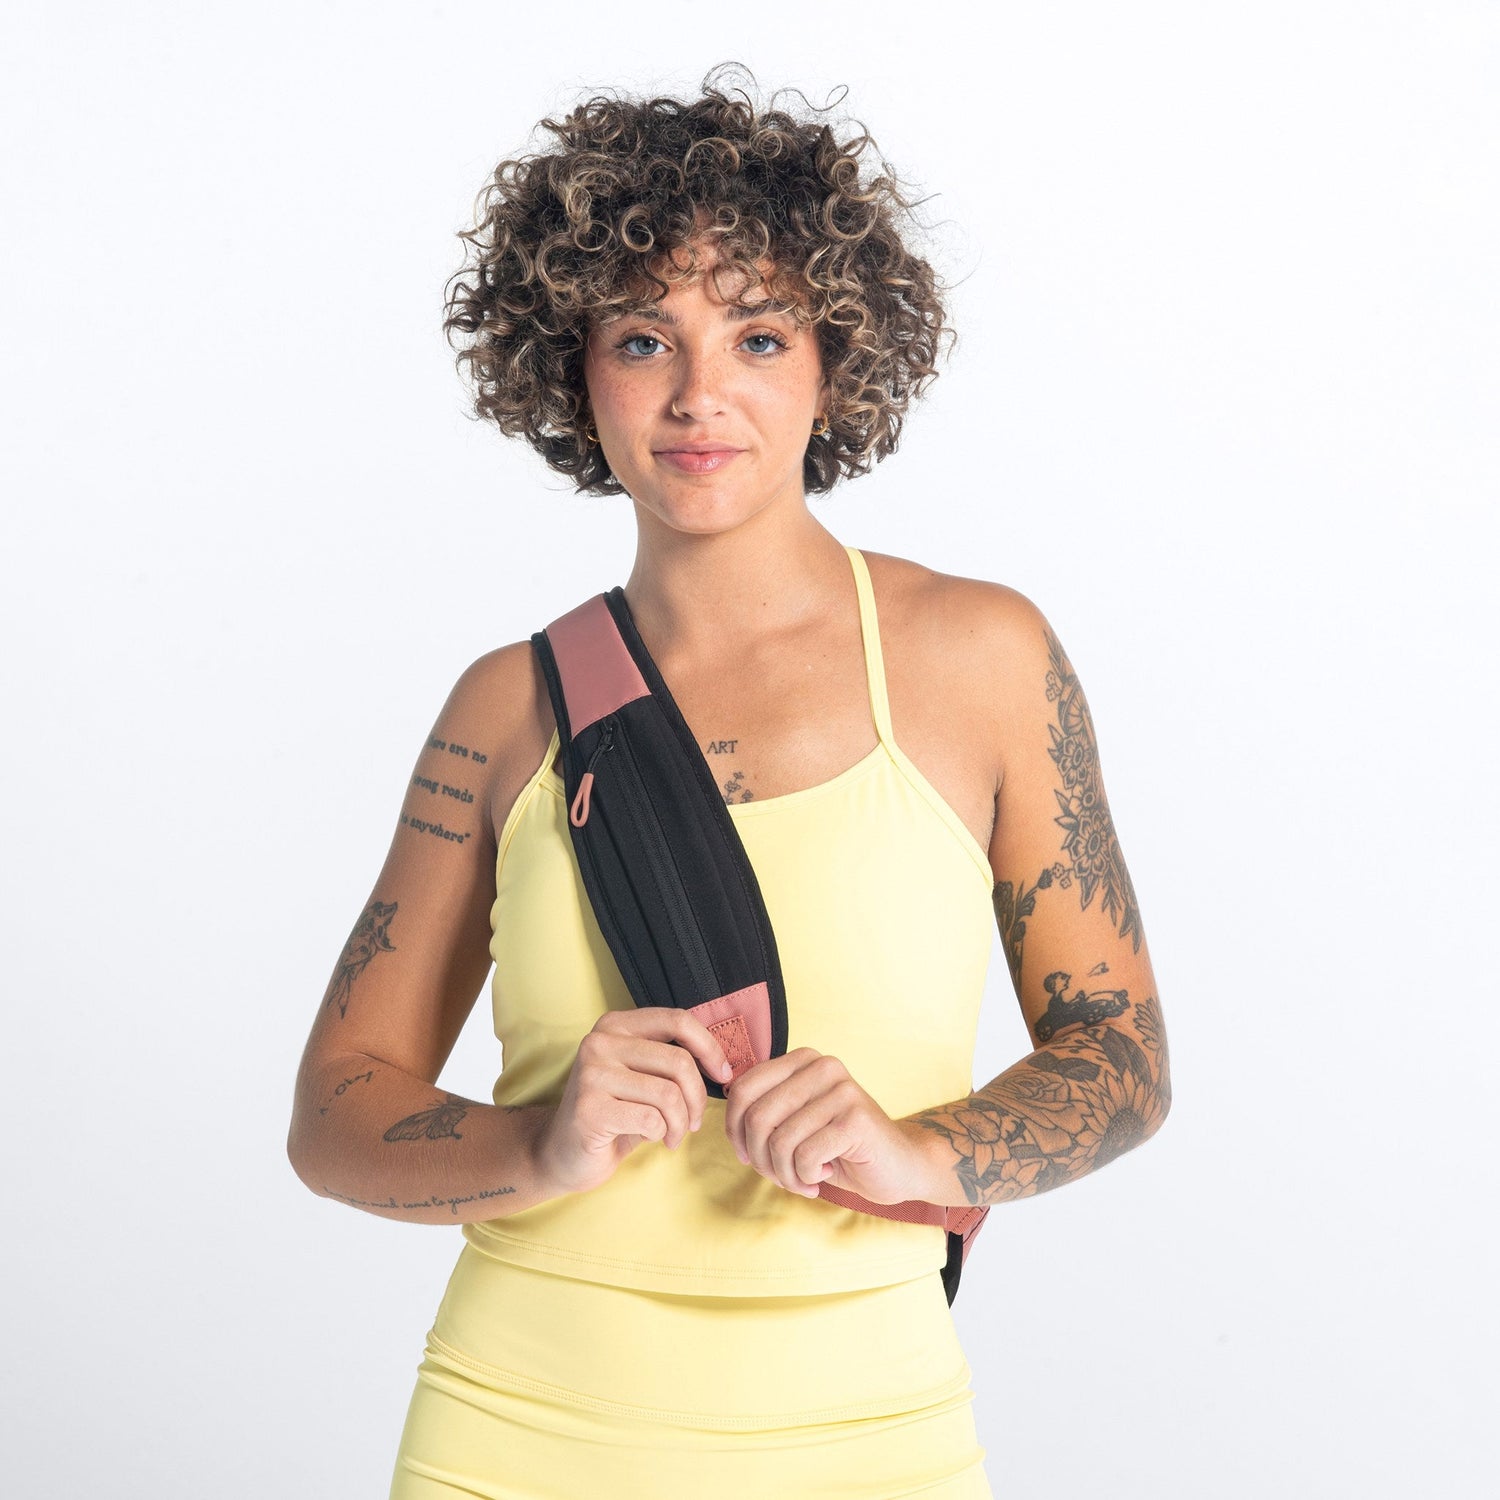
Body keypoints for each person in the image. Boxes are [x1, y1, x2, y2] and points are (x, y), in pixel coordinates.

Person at [287, 64, 1171, 1500]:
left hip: (869, 1443)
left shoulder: (983, 660)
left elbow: (1121, 1055)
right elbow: (334, 1111)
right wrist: (539, 1144)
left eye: (758, 335)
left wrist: (921, 1150)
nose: (700, 396)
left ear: (835, 360)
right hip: (512, 1432)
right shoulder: (507, 710)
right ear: (572, 367)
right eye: (645, 339)